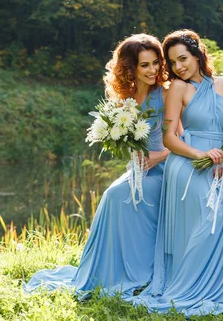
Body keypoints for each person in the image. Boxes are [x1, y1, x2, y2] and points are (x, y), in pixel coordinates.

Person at [24, 34, 170, 299]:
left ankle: (142, 270)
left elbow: (183, 138)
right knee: (112, 195)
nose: (152, 70)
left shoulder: (167, 93)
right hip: (139, 169)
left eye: (155, 63)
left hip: (165, 166)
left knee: (119, 195)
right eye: (144, 65)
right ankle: (109, 269)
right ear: (131, 68)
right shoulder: (124, 98)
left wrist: (158, 157)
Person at [128, 30, 223, 316]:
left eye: (182, 59)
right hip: (187, 162)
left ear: (197, 55)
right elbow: (170, 138)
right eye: (172, 62)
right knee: (210, 206)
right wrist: (201, 156)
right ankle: (191, 281)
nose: (178, 67)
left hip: (220, 162)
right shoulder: (177, 89)